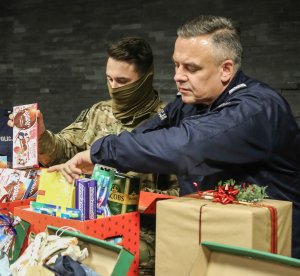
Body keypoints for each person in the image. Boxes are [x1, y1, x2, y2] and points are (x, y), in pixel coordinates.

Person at [49, 15, 300, 259]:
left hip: (269, 251)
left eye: (191, 68)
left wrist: (101, 152)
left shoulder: (256, 109)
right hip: (215, 238)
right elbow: (148, 132)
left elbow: (186, 146)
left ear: (226, 69)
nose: (177, 76)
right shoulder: (190, 102)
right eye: (176, 65)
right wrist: (95, 159)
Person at [8, 37, 179, 275]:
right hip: (84, 225)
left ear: (145, 79)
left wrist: (127, 195)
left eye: (123, 81)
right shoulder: (99, 113)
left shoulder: (168, 125)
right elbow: (65, 150)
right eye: (109, 79)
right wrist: (41, 136)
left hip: (140, 235)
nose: (114, 87)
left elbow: (183, 198)